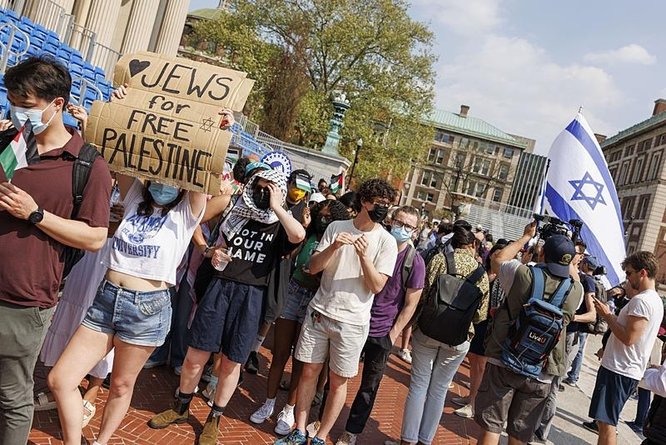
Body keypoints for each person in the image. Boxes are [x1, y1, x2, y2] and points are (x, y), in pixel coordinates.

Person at [0, 56, 112, 445]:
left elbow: (94, 237)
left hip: (25, 300)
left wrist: (35, 214)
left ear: (57, 104)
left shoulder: (87, 166)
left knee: (11, 397)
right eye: (13, 102)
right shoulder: (8, 145)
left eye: (27, 105)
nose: (18, 111)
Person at [148, 169, 305, 445]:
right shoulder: (232, 203)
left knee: (232, 363)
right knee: (195, 354)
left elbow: (298, 235)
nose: (262, 192)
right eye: (259, 185)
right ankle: (181, 407)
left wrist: (277, 205)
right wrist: (207, 249)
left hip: (252, 296)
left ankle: (215, 418)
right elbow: (192, 220)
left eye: (270, 187)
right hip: (220, 286)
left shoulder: (281, 219)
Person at [275, 178, 398, 445]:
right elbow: (313, 267)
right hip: (320, 311)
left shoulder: (386, 242)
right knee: (309, 372)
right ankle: (299, 430)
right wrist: (333, 246)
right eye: (380, 203)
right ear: (364, 201)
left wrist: (364, 257)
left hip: (352, 322)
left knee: (338, 381)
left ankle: (321, 436)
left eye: (388, 205)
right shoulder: (336, 227)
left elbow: (377, 286)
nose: (384, 209)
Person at [475, 223, 583, 445]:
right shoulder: (576, 290)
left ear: (542, 253)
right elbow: (575, 278)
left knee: (491, 425)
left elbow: (498, 259)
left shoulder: (521, 273)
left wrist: (526, 236)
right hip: (542, 368)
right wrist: (569, 250)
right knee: (519, 434)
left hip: (504, 356)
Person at [250, 199, 350, 435]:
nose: (323, 220)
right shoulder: (310, 235)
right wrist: (304, 229)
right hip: (294, 291)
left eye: (328, 217)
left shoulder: (337, 241)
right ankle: (268, 402)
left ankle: (288, 409)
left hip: (315, 297)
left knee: (300, 359)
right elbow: (290, 255)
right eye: (320, 215)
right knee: (280, 353)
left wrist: (316, 273)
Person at [391, 225, 489, 445]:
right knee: (439, 390)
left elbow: (424, 293)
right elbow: (480, 316)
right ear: (473, 245)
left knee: (419, 385)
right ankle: (425, 440)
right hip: (458, 338)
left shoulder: (439, 260)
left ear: (452, 244)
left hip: (428, 330)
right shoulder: (481, 273)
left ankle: (408, 439)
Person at [336, 206, 426, 445]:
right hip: (354, 319)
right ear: (391, 221)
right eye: (400, 222)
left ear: (415, 231)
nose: (402, 229)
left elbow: (411, 304)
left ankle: (352, 431)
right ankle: (324, 417)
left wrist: (393, 335)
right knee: (337, 375)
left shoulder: (414, 262)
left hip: (382, 331)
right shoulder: (373, 244)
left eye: (409, 226)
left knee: (369, 385)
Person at [586, 251, 663, 445]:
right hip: (621, 368)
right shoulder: (651, 300)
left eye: (629, 273)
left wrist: (607, 315)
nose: (627, 278)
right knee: (604, 422)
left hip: (620, 370)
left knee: (606, 424)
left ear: (642, 273)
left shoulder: (642, 301)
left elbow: (629, 338)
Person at [245, 169, 313, 374]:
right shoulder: (273, 199)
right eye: (296, 187)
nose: (298, 192)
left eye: (303, 190)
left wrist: (303, 228)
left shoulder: (304, 211)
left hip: (282, 267)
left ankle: (253, 350)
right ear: (288, 183)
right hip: (258, 260)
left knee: (271, 310)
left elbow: (294, 249)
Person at [454, 239, 510, 419]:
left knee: (480, 366)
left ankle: (473, 404)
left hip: (490, 326)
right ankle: (471, 397)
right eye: (496, 254)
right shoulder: (482, 272)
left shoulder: (504, 279)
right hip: (476, 322)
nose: (498, 258)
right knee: (473, 361)